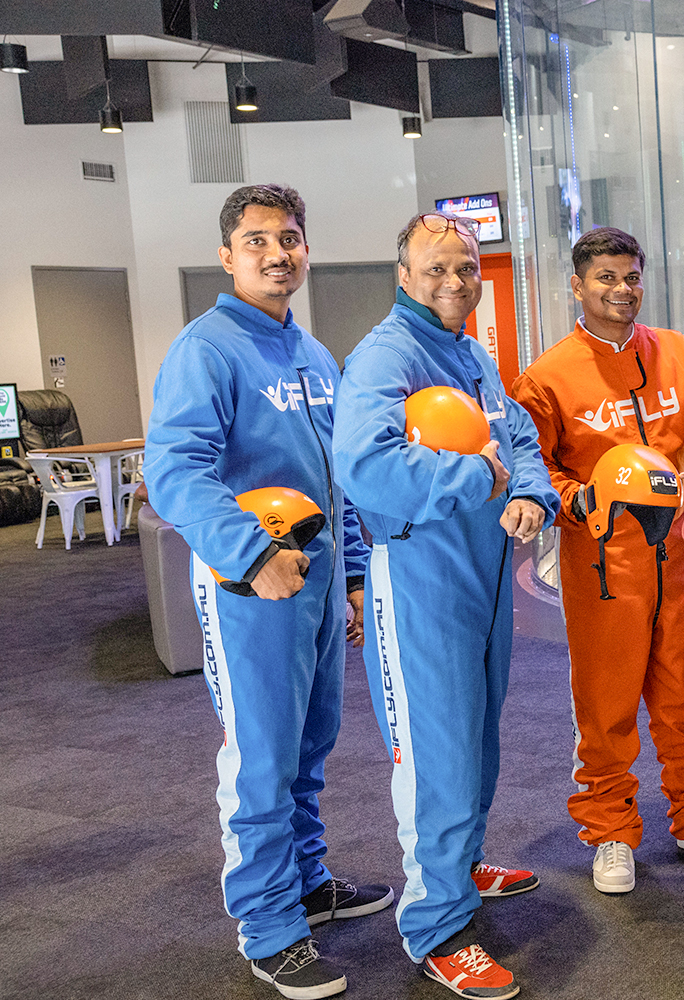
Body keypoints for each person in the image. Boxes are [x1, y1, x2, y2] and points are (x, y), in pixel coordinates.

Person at [144, 184, 391, 999]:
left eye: (289, 238)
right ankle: (269, 925)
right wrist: (252, 556)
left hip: (316, 586)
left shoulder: (313, 355)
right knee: (260, 758)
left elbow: (337, 481)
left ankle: (307, 881)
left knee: (310, 746)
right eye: (257, 241)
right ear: (227, 256)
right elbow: (174, 471)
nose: (276, 253)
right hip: (248, 588)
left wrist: (351, 575)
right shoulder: (207, 348)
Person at [331, 212, 559, 1000]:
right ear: (404, 275)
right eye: (436, 269)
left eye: (465, 266)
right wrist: (482, 481)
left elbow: (517, 438)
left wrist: (532, 492)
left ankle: (460, 865)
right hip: (420, 575)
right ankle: (436, 925)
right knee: (439, 755)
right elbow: (367, 466)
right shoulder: (385, 357)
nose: (454, 281)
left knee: (478, 737)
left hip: (485, 574)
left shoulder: (468, 354)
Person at [510, 227, 684, 896]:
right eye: (606, 279)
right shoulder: (547, 375)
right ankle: (611, 832)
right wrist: (583, 501)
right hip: (600, 560)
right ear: (577, 285)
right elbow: (531, 467)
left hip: (674, 550)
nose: (622, 290)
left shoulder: (673, 352)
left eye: (631, 277)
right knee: (607, 702)